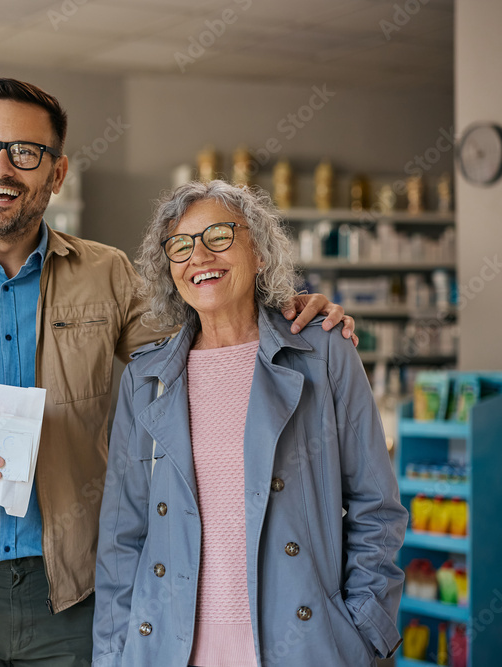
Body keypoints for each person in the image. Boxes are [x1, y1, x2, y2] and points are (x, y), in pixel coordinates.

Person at [0, 79, 355, 666]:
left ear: (57, 172)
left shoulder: (108, 275)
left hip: (71, 594)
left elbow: (203, 338)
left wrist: (285, 314)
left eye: (25, 153)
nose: (0, 168)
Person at [93, 180, 407, 667]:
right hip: (167, 653)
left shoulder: (323, 353)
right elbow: (122, 540)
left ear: (258, 251)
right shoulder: (145, 379)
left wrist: (363, 629)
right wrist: (114, 656)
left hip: (303, 650)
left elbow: (376, 507)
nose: (199, 256)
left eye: (219, 235)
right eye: (180, 245)